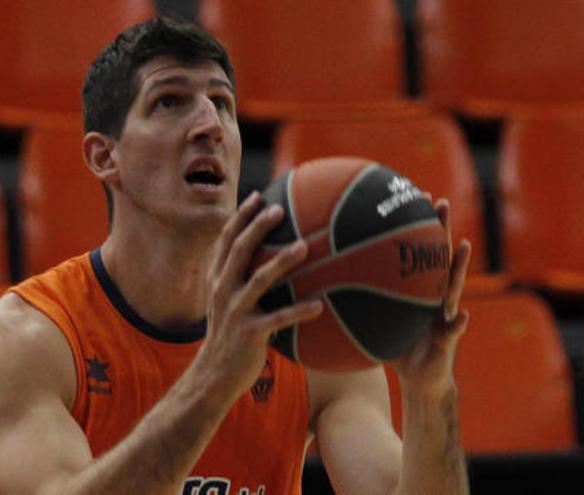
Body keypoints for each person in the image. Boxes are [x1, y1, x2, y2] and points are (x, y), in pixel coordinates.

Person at [0, 16, 471, 495]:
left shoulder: (308, 323)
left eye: (222, 104)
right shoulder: (31, 340)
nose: (210, 126)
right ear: (105, 157)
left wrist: (431, 393)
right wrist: (216, 379)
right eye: (169, 102)